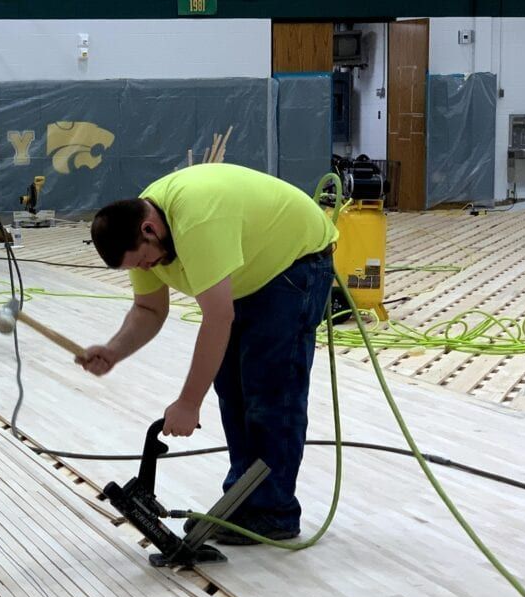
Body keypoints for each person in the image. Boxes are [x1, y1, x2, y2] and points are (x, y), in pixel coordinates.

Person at [81, 163, 337, 545]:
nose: (147, 268)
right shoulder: (143, 231)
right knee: (232, 391)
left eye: (143, 261)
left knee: (270, 393)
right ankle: (243, 500)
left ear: (149, 230)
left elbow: (218, 318)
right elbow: (150, 309)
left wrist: (187, 403)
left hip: (293, 265)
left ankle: (274, 512)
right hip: (249, 267)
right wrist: (114, 350)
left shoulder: (196, 222)